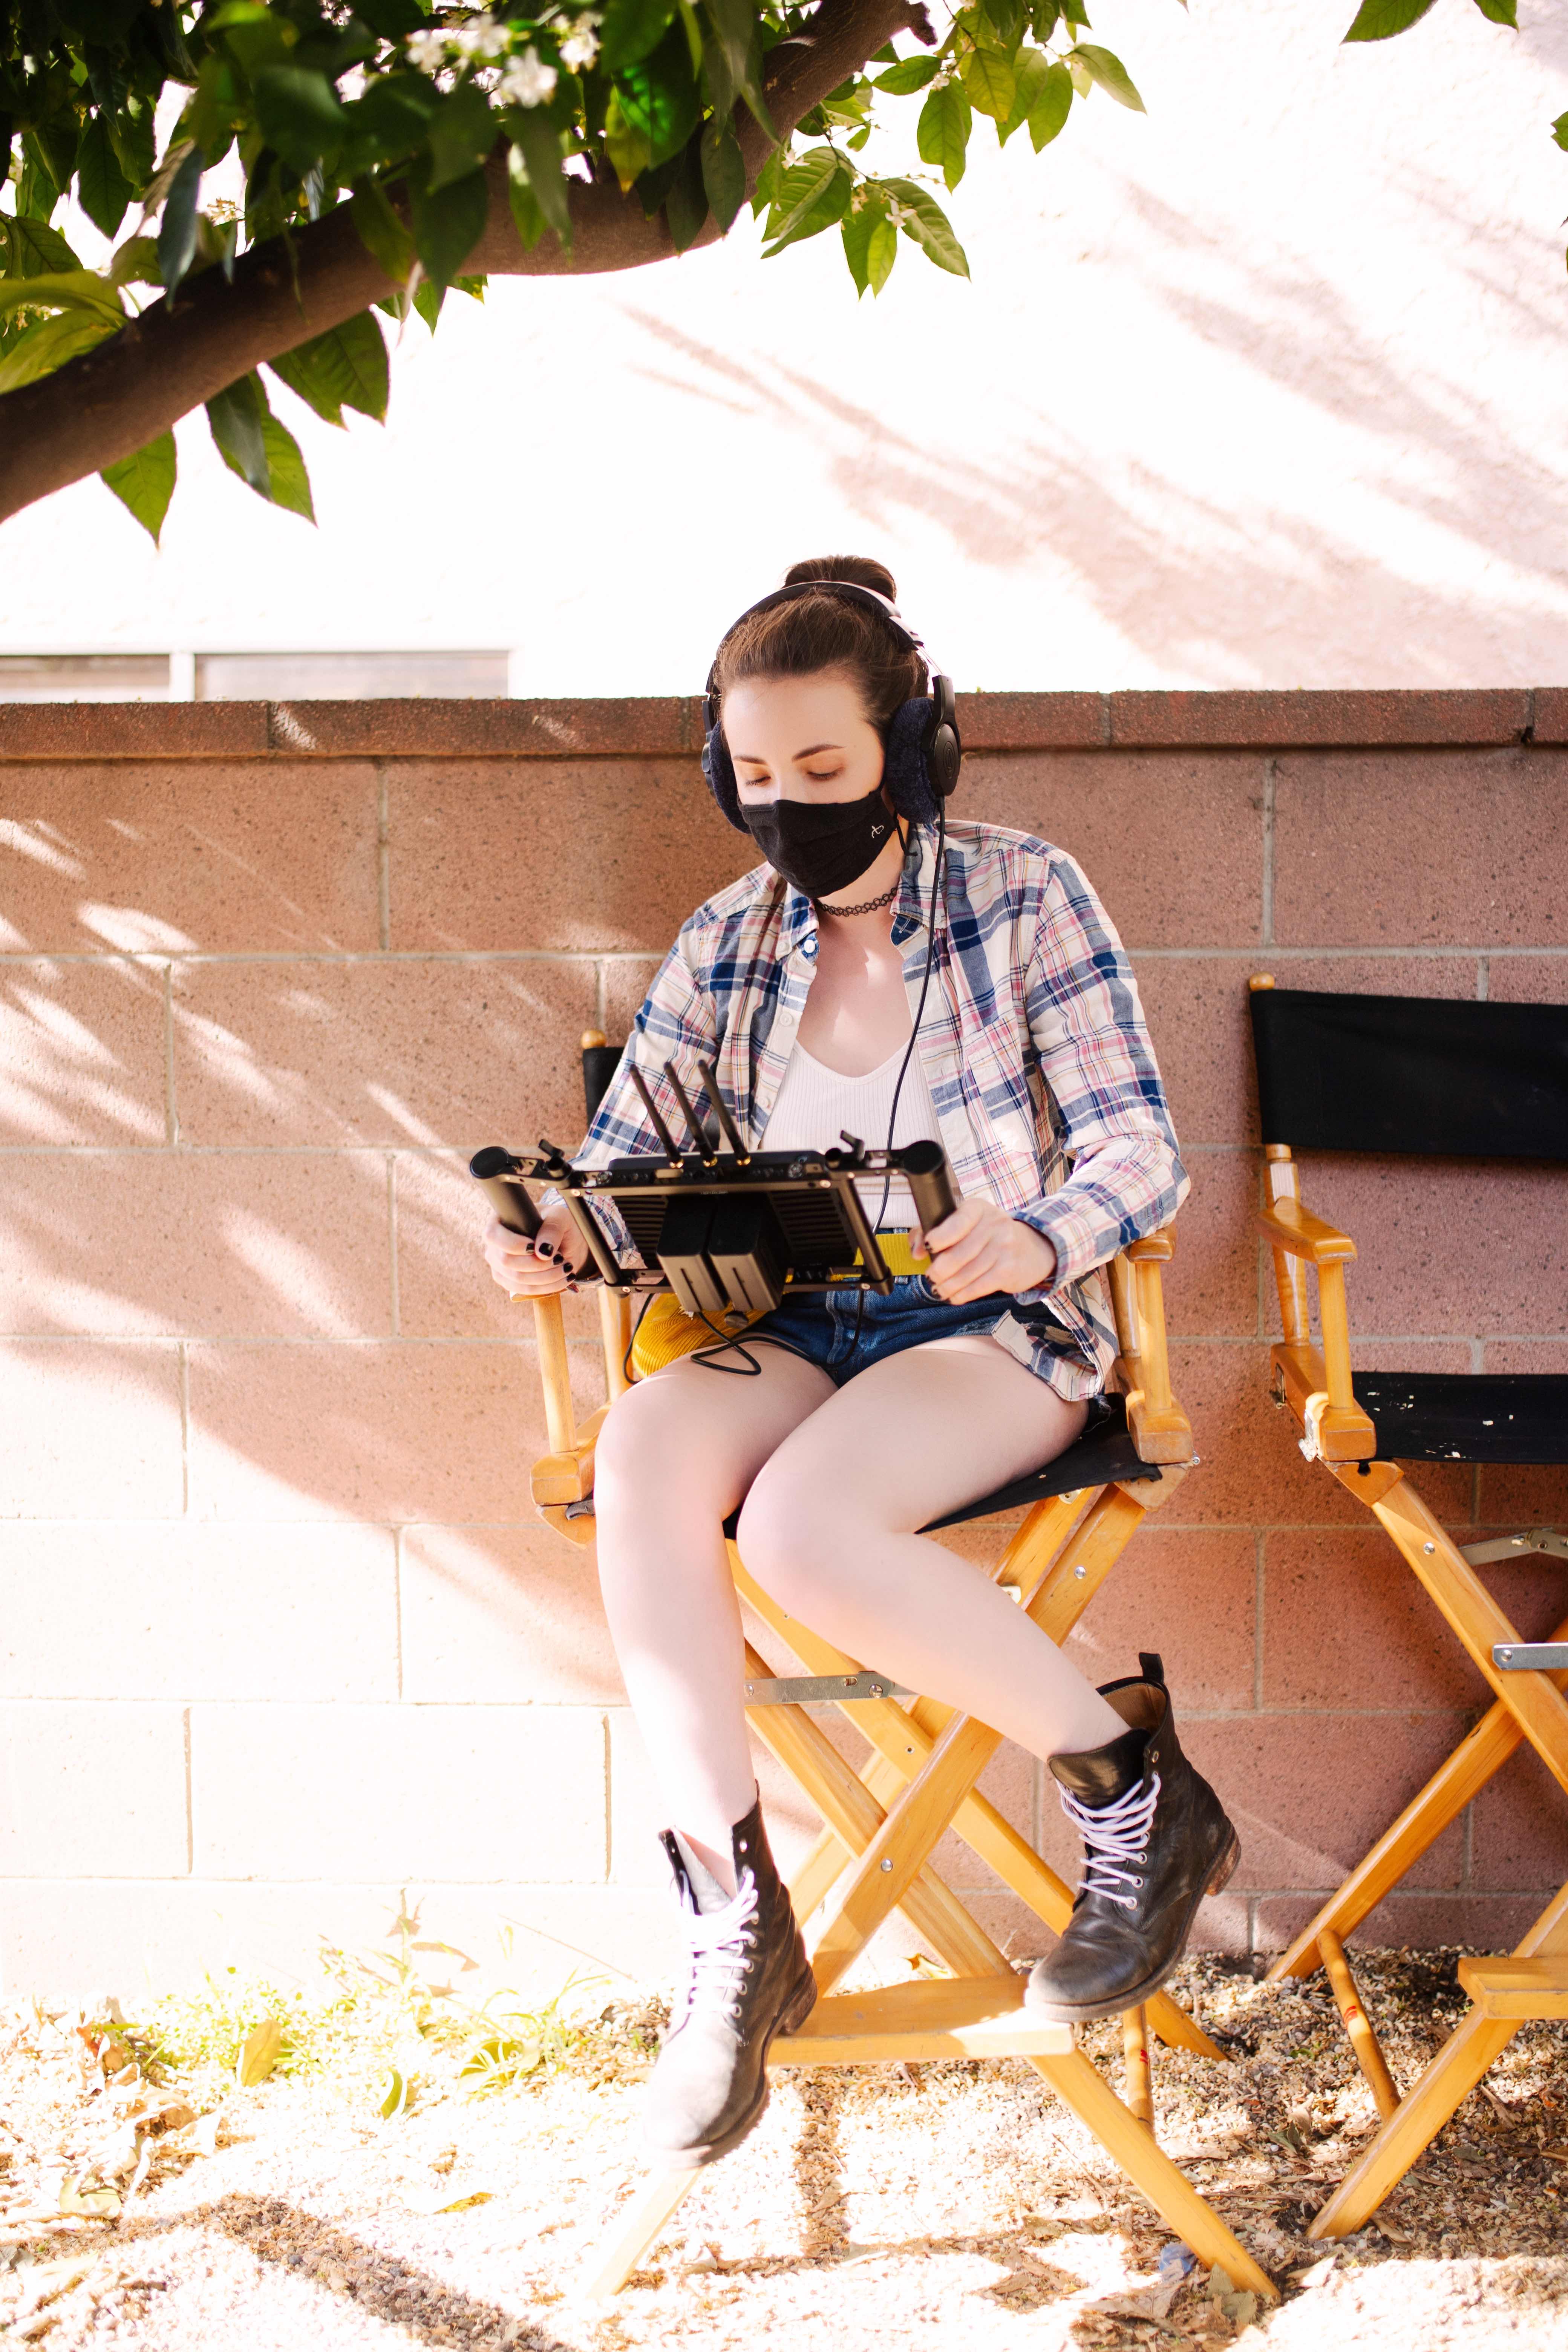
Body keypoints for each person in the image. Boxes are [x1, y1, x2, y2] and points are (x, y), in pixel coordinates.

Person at [482, 557, 1237, 2172]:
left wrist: (1034, 1237)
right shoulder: (724, 938)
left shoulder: (1026, 896)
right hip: (783, 1326)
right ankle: (734, 1926)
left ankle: (1132, 1795)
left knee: (803, 1531)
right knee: (641, 1453)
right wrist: (563, 1233)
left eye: (822, 768)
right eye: (754, 775)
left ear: (914, 745)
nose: (788, 808)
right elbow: (630, 1161)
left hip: (985, 1326)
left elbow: (1137, 1147)